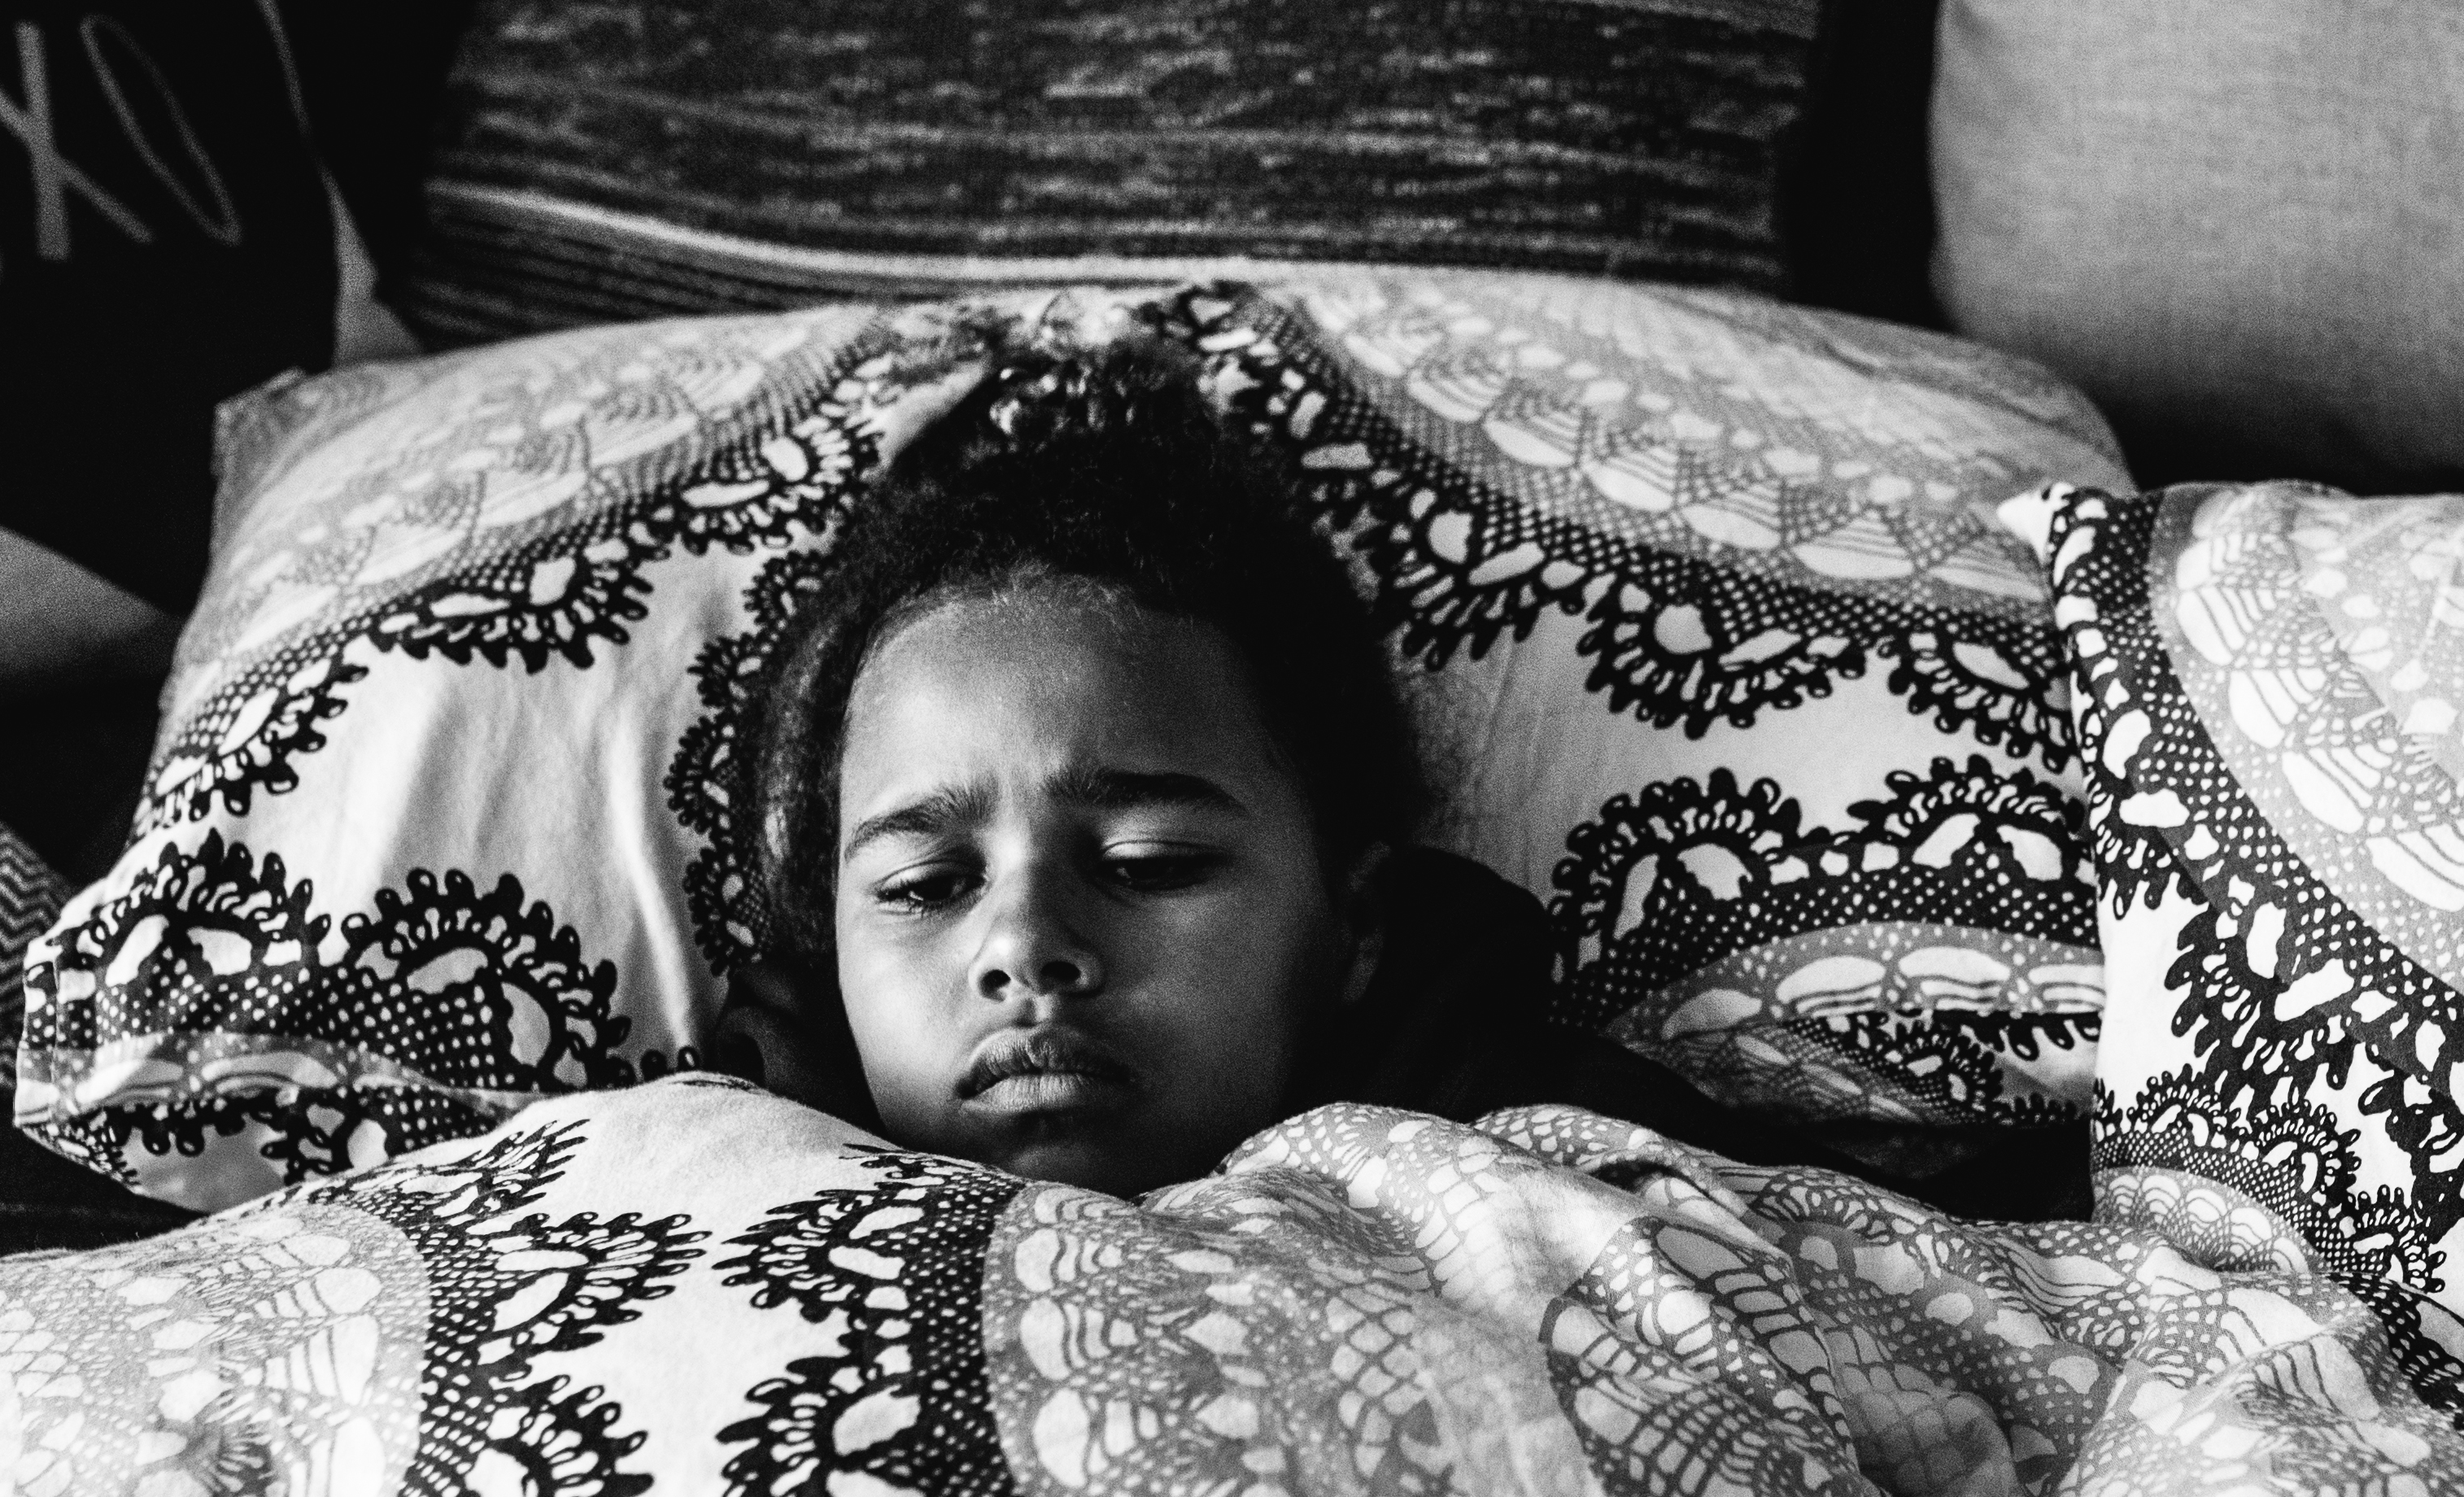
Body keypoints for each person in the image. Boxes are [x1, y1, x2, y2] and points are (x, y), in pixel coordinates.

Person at [717, 384, 1727, 1191]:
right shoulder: (695, 1184)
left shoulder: (1605, 1175)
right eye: (925, 884)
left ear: (1356, 921)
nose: (1024, 947)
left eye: (1147, 861)